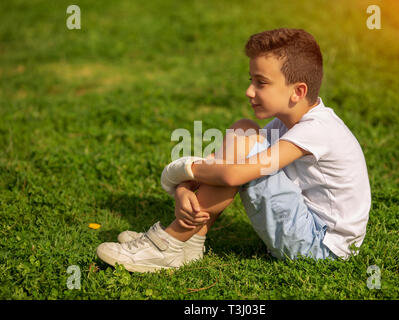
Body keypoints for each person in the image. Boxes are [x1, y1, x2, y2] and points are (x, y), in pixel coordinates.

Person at [96, 28, 371, 273]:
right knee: (244, 130)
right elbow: (224, 164)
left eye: (261, 83)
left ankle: (171, 242)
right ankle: (190, 240)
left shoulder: (319, 129)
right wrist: (184, 189)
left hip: (321, 249)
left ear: (297, 91)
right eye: (251, 80)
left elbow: (233, 175)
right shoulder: (285, 123)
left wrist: (180, 171)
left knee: (245, 142)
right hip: (305, 231)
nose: (249, 91)